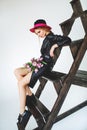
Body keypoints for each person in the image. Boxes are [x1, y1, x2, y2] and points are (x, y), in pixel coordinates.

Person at [14, 19, 71, 130]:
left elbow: (68, 39)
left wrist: (55, 46)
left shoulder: (51, 37)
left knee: (20, 83)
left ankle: (23, 113)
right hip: (40, 63)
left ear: (45, 28)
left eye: (39, 32)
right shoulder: (47, 38)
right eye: (36, 33)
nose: (38, 35)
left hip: (44, 67)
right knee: (17, 71)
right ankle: (29, 95)